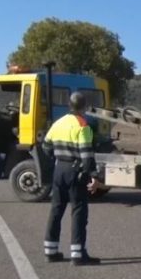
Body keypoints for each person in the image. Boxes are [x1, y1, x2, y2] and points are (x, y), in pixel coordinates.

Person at [43, 92, 101, 265]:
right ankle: (77, 255)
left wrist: (58, 157)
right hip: (75, 171)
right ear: (84, 107)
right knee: (78, 212)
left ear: (69, 105)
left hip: (59, 168)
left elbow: (46, 146)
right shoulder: (83, 125)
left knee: (56, 209)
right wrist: (94, 176)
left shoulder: (58, 123)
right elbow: (87, 155)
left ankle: (50, 251)